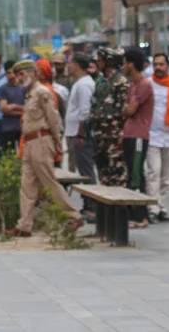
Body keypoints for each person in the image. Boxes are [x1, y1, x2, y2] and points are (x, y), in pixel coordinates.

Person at [7, 60, 84, 237]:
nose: (19, 78)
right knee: (27, 185)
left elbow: (53, 118)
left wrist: (57, 140)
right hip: (29, 142)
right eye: (17, 75)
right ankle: (24, 225)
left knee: (48, 181)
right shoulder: (30, 94)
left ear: (33, 73)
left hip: (42, 141)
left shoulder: (43, 92)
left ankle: (74, 215)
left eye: (22, 74)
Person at [146, 53, 169, 224]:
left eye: (162, 64)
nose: (158, 67)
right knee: (154, 172)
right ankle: (152, 208)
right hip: (152, 135)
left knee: (166, 177)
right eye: (156, 64)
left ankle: (162, 207)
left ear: (168, 66)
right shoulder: (148, 84)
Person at [121, 48, 153, 228]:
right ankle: (136, 213)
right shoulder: (132, 85)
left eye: (125, 63)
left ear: (131, 64)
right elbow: (126, 108)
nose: (123, 67)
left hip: (139, 135)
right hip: (129, 134)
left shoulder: (144, 85)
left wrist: (127, 108)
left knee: (136, 175)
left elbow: (130, 109)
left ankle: (140, 215)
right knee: (131, 172)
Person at [89, 48, 129, 188]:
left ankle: (119, 208)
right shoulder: (101, 81)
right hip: (101, 134)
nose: (97, 63)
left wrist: (123, 132)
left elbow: (125, 110)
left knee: (116, 172)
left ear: (109, 62)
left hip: (114, 134)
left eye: (100, 60)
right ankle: (105, 208)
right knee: (103, 171)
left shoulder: (120, 82)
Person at [64, 54, 97, 218]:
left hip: (80, 135)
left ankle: (91, 206)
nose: (67, 67)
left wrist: (80, 134)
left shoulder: (83, 85)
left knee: (86, 172)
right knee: (84, 171)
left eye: (69, 64)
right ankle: (88, 204)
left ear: (76, 65)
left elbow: (86, 113)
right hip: (75, 133)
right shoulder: (80, 83)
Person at [0, 63, 26, 155]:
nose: (12, 76)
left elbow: (28, 109)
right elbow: (4, 109)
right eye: (9, 73)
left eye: (14, 73)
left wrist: (14, 106)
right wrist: (22, 111)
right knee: (8, 156)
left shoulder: (24, 88)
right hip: (7, 128)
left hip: (22, 127)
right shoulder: (3, 89)